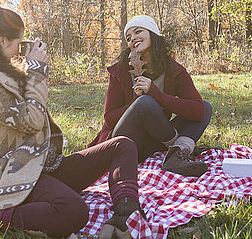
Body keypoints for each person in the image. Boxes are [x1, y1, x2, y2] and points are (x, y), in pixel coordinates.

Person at [0, 0, 142, 239]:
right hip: (8, 171)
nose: (19, 50)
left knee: (122, 144)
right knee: (73, 212)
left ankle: (126, 215)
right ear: (1, 40)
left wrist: (29, 69)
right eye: (18, 44)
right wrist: (37, 70)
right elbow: (30, 120)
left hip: (39, 163)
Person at [88, 15, 213, 177]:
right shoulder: (120, 71)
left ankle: (174, 159)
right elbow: (109, 119)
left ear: (152, 34)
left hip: (154, 142)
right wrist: (136, 101)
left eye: (138, 31)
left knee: (205, 106)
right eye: (128, 37)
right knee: (144, 103)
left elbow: (198, 112)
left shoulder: (174, 71)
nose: (133, 38)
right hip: (124, 142)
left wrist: (156, 93)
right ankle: (178, 148)